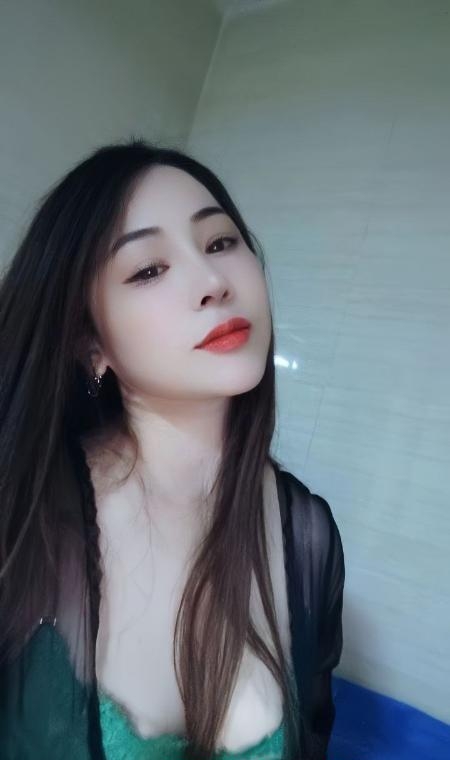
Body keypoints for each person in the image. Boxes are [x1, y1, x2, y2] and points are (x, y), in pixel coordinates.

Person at [0, 139, 345, 760]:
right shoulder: (20, 512)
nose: (213, 282)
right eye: (148, 269)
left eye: (220, 242)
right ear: (89, 342)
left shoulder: (311, 535)